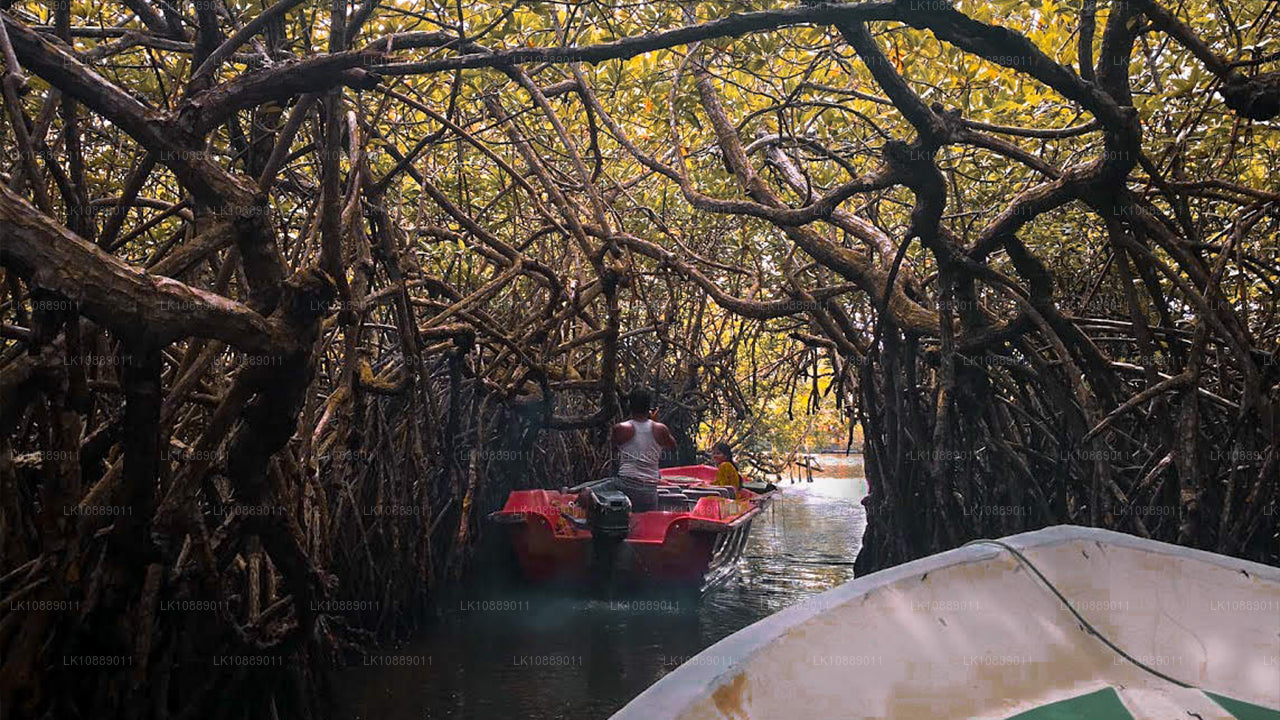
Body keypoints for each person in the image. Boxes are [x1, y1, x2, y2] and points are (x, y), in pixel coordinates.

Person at [610, 388, 677, 512]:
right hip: (649, 491)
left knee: (587, 491)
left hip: (625, 486)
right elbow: (672, 446)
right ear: (649, 408)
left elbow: (614, 449)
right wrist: (655, 422)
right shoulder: (660, 429)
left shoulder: (620, 428)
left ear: (630, 406)